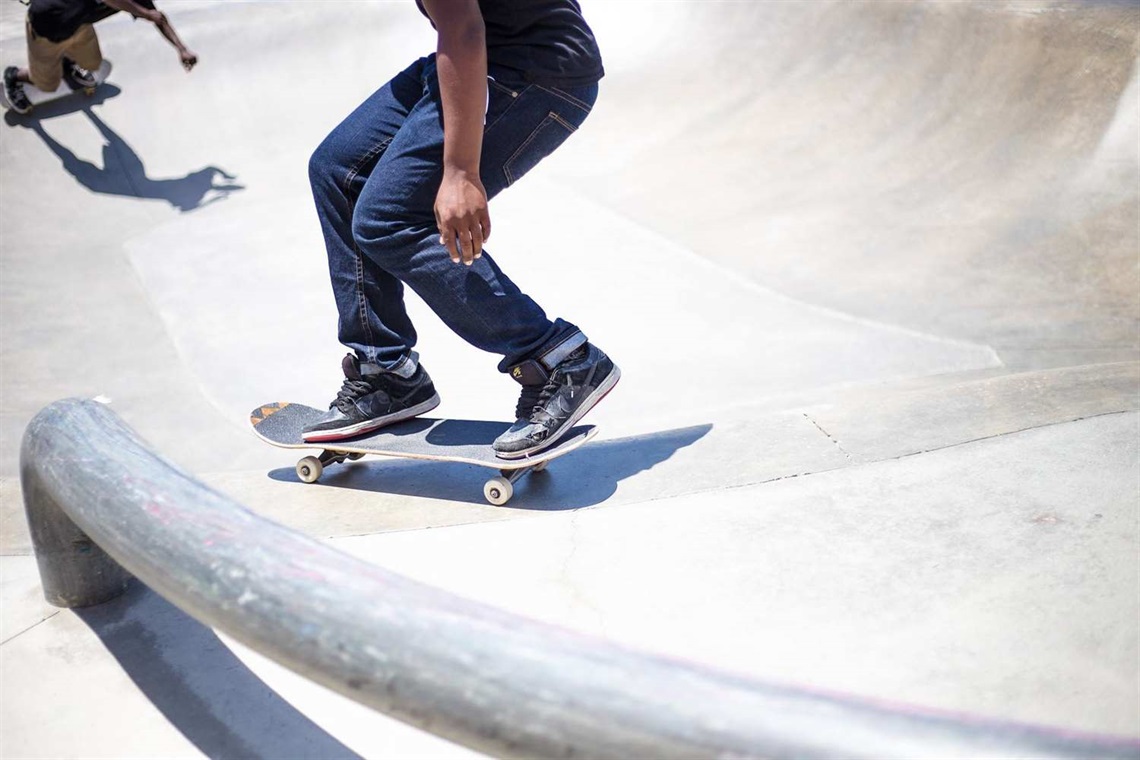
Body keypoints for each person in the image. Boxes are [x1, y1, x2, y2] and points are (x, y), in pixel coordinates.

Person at [304, 0, 619, 459]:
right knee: (337, 169)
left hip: (534, 73)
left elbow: (465, 30)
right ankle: (386, 370)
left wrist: (460, 171)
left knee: (388, 219)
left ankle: (559, 359)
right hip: (488, 54)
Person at [3, 0, 197, 114]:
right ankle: (15, 76)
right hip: (47, 30)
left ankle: (68, 63)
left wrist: (181, 49)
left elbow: (158, 17)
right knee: (47, 84)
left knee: (93, 63)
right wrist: (143, 13)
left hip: (80, 27)